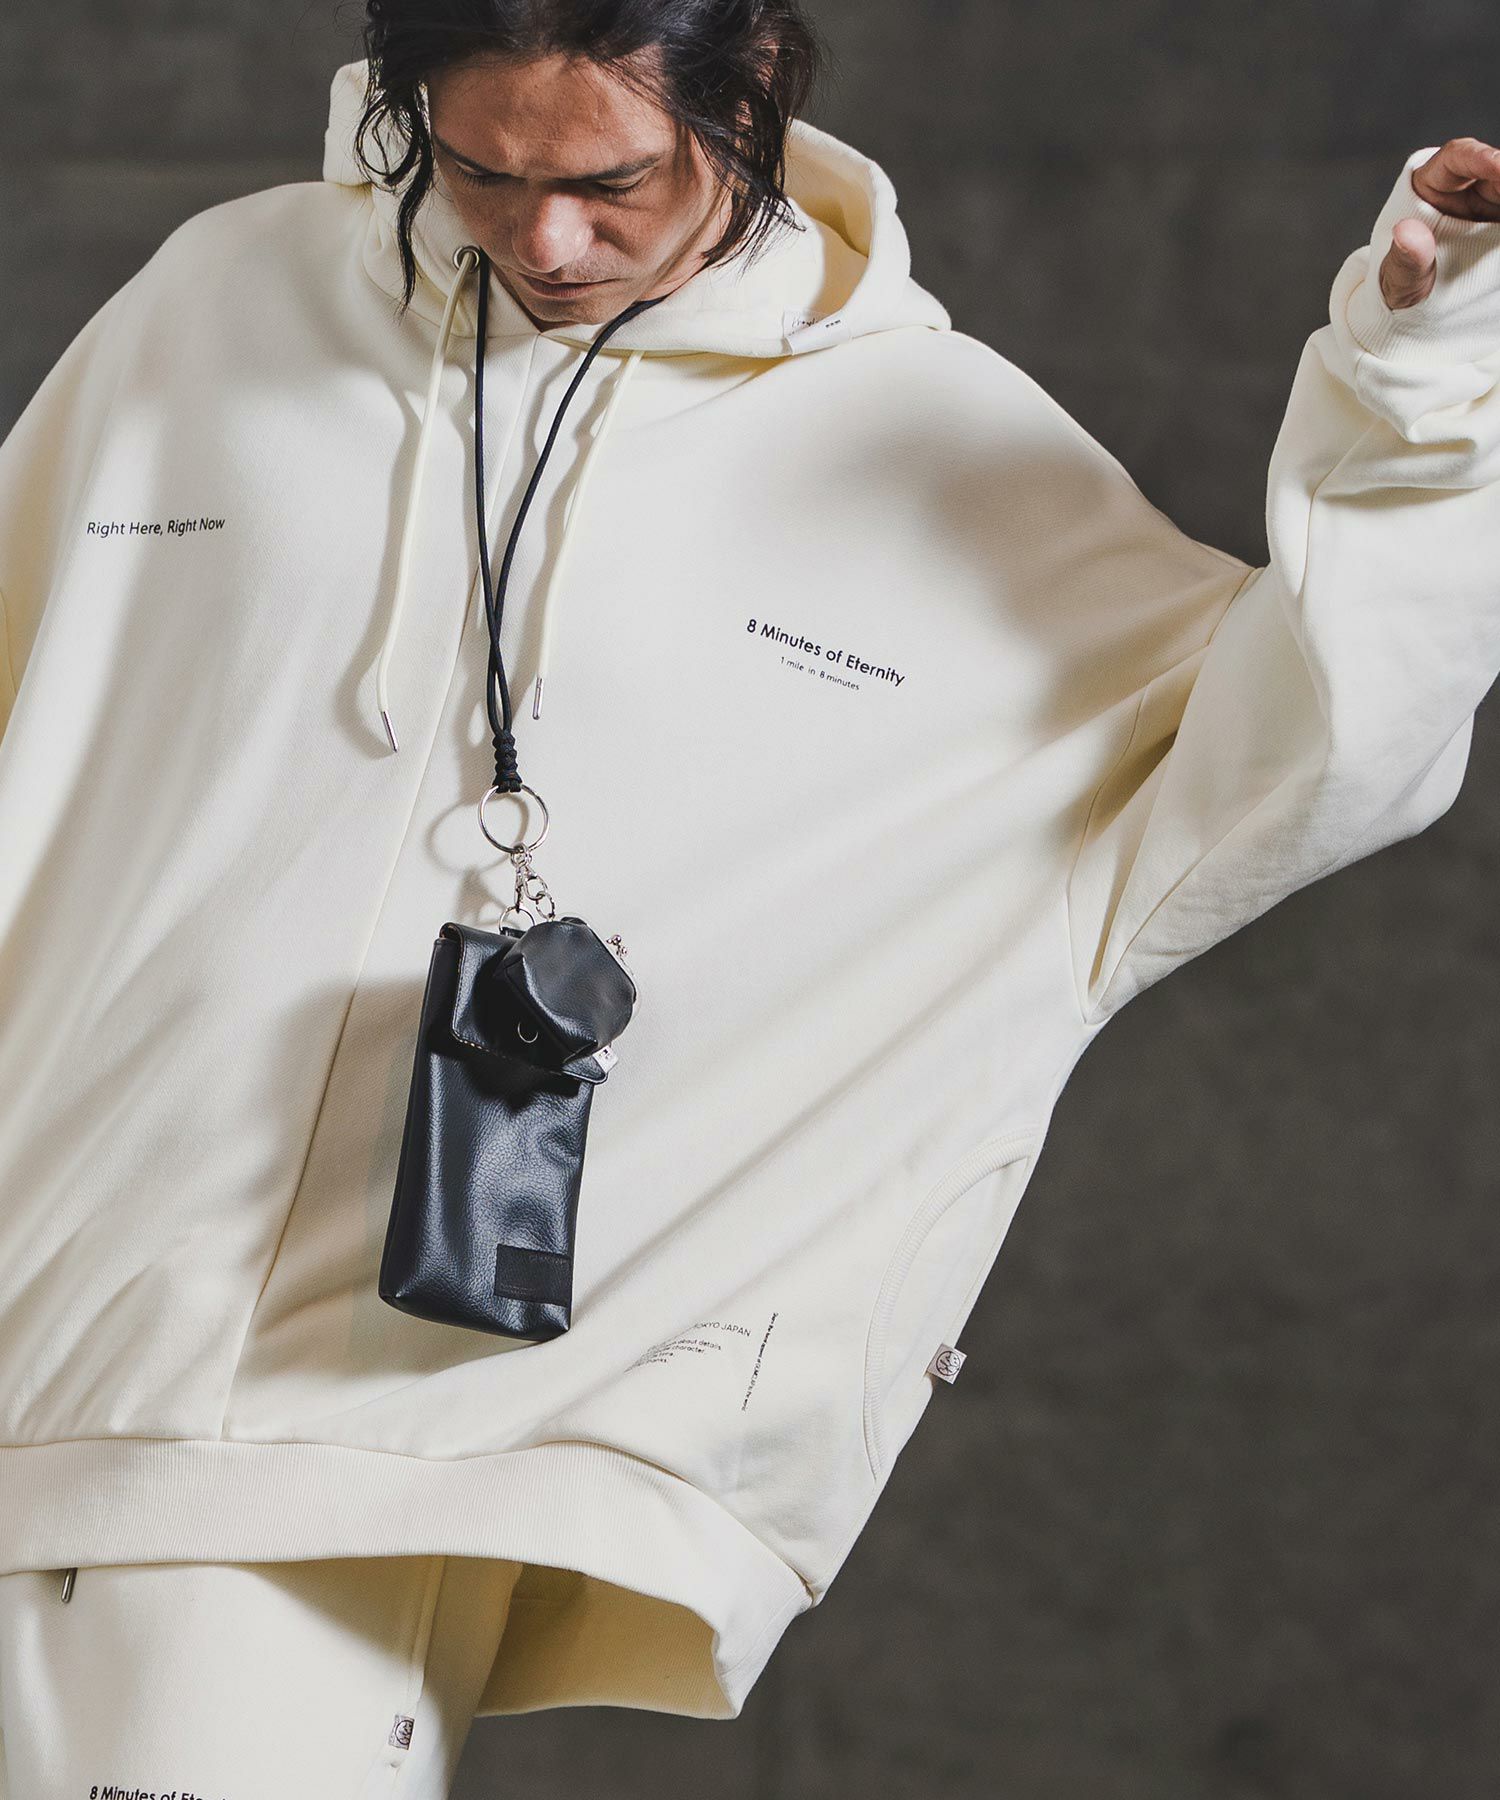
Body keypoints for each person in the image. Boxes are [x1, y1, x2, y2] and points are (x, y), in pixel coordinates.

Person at [1, 0, 1498, 1790]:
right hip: (37, 1313)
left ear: (755, 91)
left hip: (335, 1455)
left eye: (610, 178)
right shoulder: (220, 306)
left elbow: (1313, 750)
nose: (546, 237)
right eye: (479, 169)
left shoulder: (917, 438)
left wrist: (1422, 386)